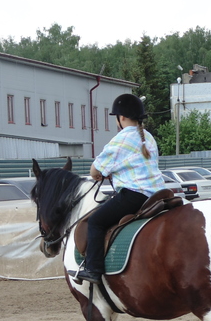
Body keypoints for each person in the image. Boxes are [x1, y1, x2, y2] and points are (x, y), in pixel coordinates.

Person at [70, 94, 166, 284]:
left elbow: (94, 170)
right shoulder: (149, 137)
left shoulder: (120, 139)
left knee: (96, 222)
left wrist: (100, 174)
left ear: (121, 118)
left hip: (134, 196)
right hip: (158, 194)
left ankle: (94, 270)